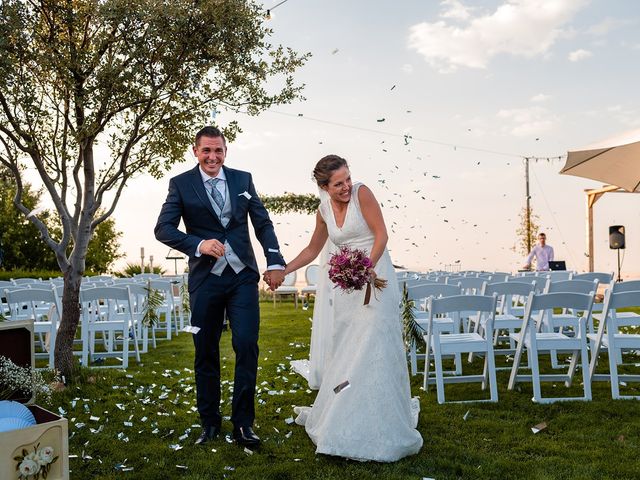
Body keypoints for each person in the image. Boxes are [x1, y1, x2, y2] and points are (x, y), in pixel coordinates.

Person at [281, 155, 423, 462]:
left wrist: (367, 267)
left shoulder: (363, 194)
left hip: (375, 279)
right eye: (338, 183)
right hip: (347, 287)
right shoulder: (323, 211)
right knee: (348, 348)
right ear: (324, 187)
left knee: (374, 346)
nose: (346, 186)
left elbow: (382, 234)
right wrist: (283, 270)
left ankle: (382, 422)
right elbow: (312, 249)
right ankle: (343, 419)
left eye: (347, 178)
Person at [154, 126, 286, 449]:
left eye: (218, 151)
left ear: (225, 152)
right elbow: (163, 228)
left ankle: (243, 424)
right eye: (206, 151)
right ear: (196, 151)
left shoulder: (243, 180)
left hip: (242, 278)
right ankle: (209, 423)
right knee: (206, 351)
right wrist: (198, 244)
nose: (212, 157)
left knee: (246, 343)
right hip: (205, 280)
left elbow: (263, 222)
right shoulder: (181, 185)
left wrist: (275, 260)